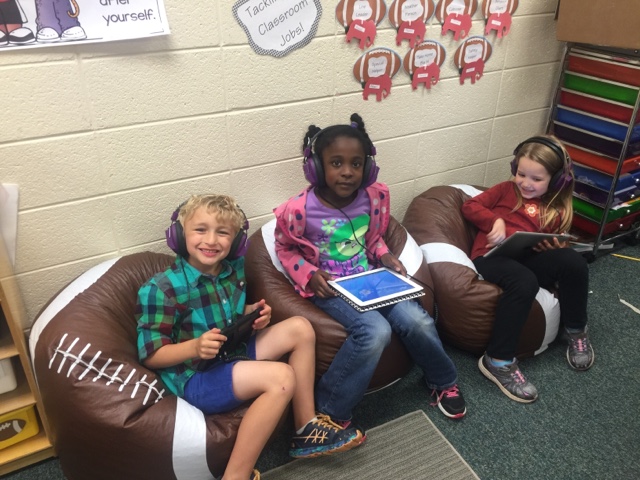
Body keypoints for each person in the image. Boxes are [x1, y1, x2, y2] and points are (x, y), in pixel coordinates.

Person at [136, 194, 362, 480]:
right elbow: (151, 355)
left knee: (301, 327)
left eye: (222, 232)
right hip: (196, 376)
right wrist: (194, 347)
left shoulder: (232, 271)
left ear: (236, 241)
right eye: (200, 230)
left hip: (230, 353)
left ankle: (305, 428)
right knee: (282, 378)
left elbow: (227, 315)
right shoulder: (161, 289)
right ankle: (235, 475)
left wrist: (251, 315)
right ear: (179, 235)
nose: (211, 240)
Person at [273, 113, 466, 431]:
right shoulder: (298, 210)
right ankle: (332, 408)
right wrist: (309, 274)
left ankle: (442, 381)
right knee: (376, 331)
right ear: (316, 167)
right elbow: (285, 249)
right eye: (336, 163)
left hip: (371, 279)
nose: (347, 172)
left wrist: (385, 255)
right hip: (331, 289)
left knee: (417, 319)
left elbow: (372, 238)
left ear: (368, 166)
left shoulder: (373, 198)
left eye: (356, 163)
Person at [461, 135, 595, 404]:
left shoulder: (554, 208)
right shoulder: (505, 190)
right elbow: (470, 205)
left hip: (527, 258)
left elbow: (550, 245)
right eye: (521, 174)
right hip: (491, 256)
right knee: (525, 281)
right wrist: (494, 221)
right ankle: (497, 360)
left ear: (556, 181)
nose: (525, 183)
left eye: (536, 178)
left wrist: (551, 246)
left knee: (573, 262)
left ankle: (575, 329)